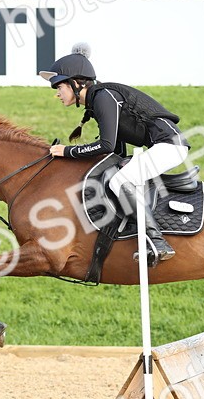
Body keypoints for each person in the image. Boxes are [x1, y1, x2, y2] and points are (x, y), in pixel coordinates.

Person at [40, 43, 189, 264]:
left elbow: (107, 145)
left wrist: (67, 151)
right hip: (161, 146)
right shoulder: (97, 100)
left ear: (75, 83)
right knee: (115, 175)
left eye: (59, 87)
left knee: (121, 180)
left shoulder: (103, 96)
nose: (58, 94)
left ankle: (156, 241)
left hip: (169, 146)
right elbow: (117, 150)